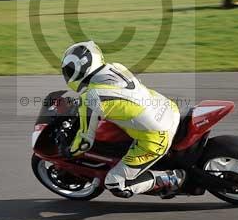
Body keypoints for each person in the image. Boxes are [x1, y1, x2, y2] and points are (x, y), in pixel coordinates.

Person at [61, 40, 185, 198]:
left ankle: (171, 178)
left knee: (114, 183)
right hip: (169, 110)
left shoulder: (91, 98)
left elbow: (85, 142)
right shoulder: (116, 68)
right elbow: (120, 98)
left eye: (69, 70)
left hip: (157, 136)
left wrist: (68, 152)